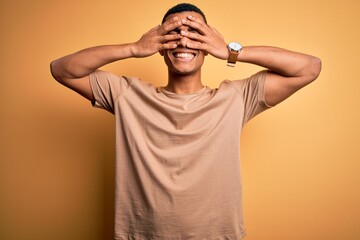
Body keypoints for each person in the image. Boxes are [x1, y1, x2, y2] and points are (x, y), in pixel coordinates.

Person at [50, 3, 321, 240]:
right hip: (143, 235)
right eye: (173, 34)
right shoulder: (127, 96)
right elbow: (62, 70)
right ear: (160, 47)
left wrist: (229, 51)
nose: (184, 42)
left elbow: (309, 67)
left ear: (207, 45)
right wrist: (134, 48)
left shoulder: (236, 98)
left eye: (195, 34)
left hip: (216, 235)